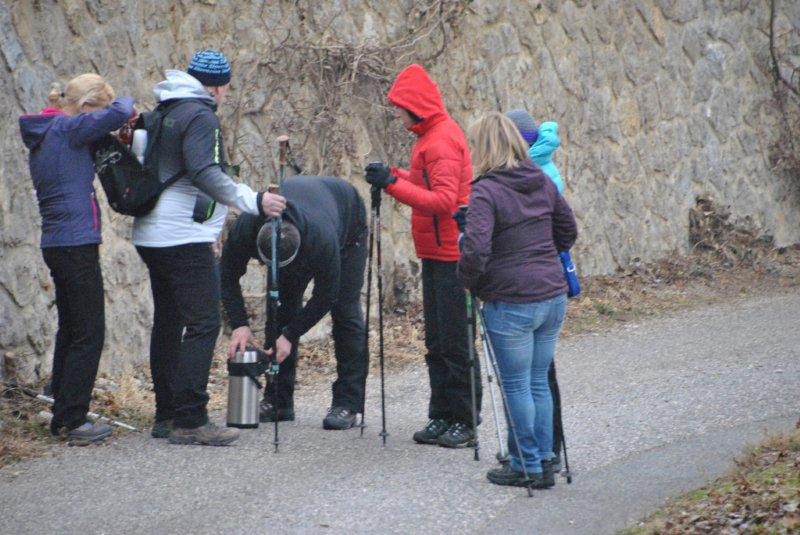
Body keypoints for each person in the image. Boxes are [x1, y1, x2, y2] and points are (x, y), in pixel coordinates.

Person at [133, 49, 286, 446]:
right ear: (218, 86)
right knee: (201, 324)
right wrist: (253, 201)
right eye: (225, 89)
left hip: (151, 234)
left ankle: (166, 415)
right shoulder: (201, 115)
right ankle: (191, 419)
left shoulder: (162, 111)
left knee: (168, 322)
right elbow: (205, 173)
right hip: (182, 238)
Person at [458, 112, 578, 488]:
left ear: (487, 147)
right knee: (538, 381)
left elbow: (476, 249)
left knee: (517, 385)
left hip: (511, 300)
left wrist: (467, 281)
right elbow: (568, 231)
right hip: (551, 295)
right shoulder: (541, 181)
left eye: (475, 144)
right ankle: (544, 460)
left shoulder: (485, 190)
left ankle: (525, 463)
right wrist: (541, 255)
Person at [364, 63, 481, 448]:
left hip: (451, 255)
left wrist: (393, 185)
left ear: (415, 105)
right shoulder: (428, 138)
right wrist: (393, 173)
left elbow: (445, 201)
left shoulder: (442, 139)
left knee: (455, 341)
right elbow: (425, 182)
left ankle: (464, 419)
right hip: (434, 252)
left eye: (399, 107)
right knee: (436, 340)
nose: (396, 114)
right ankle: (441, 415)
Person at [19, 74, 135, 444]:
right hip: (76, 243)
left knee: (71, 329)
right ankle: (73, 420)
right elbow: (123, 108)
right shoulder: (70, 128)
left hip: (56, 243)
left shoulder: (46, 131)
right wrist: (110, 107)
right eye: (94, 112)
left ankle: (62, 410)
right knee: (89, 332)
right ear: (86, 108)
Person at [220, 175, 369, 430]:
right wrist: (240, 325)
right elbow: (226, 277)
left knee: (345, 311)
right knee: (279, 308)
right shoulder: (246, 226)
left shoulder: (321, 239)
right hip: (305, 215)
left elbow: (326, 295)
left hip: (347, 221)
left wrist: (290, 335)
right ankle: (278, 399)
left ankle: (347, 402)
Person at [506, 108, 568, 472]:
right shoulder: (540, 165)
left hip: (532, 285)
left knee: (535, 377)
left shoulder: (535, 172)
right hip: (548, 281)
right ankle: (542, 450)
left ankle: (541, 451)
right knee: (538, 376)